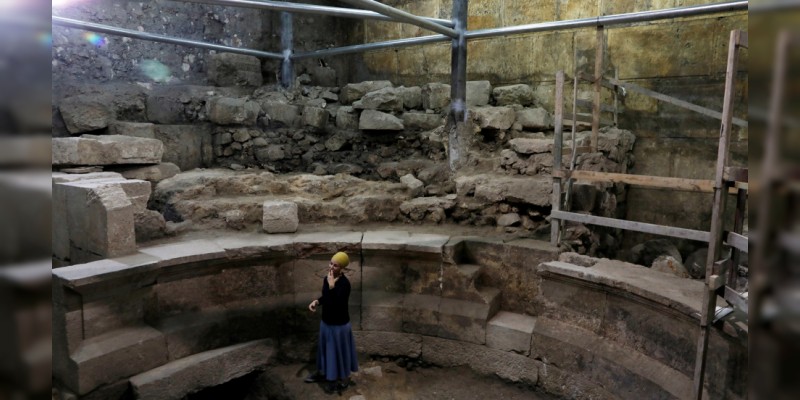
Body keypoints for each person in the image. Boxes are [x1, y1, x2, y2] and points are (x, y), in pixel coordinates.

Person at [305, 251, 358, 394]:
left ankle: (340, 379)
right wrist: (317, 301)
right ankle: (325, 374)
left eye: (335, 265)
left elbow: (338, 304)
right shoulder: (327, 279)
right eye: (331, 263)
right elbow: (327, 297)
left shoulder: (345, 284)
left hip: (339, 325)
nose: (331, 267)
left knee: (338, 353)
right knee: (326, 351)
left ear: (342, 268)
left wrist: (332, 286)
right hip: (326, 322)